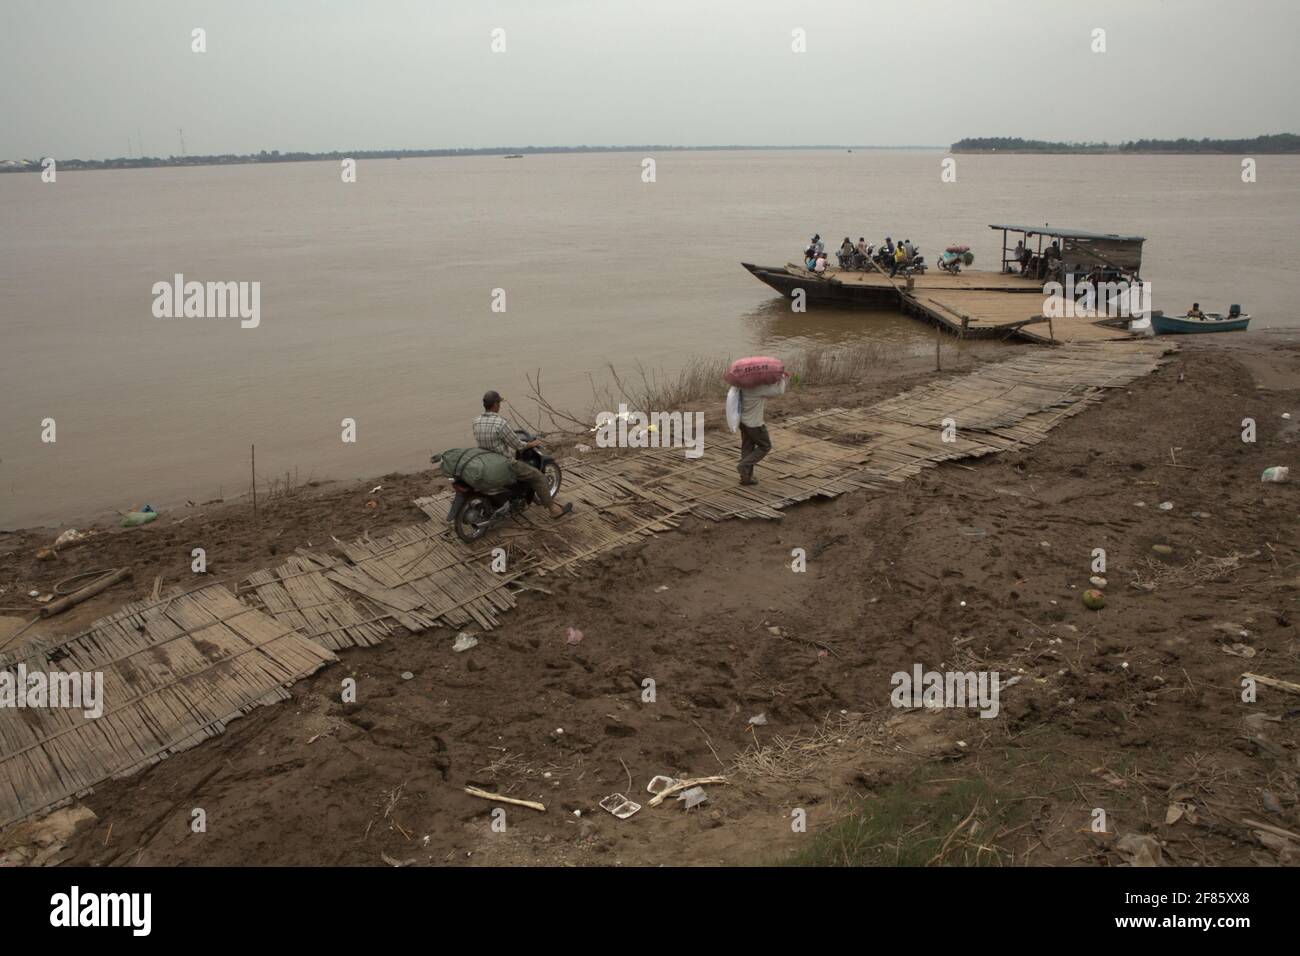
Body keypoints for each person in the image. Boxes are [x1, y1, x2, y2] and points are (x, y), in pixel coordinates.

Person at [472, 390, 573, 518]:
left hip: (486, 461)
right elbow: (518, 445)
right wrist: (532, 444)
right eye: (499, 403)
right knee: (538, 477)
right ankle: (554, 510)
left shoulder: (476, 421)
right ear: (496, 404)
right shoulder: (500, 423)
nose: (500, 406)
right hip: (504, 464)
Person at [736, 378, 785, 485]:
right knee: (765, 446)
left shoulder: (739, 387)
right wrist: (782, 379)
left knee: (747, 447)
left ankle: (746, 478)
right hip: (755, 424)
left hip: (742, 422)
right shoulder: (758, 388)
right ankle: (744, 465)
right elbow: (779, 391)